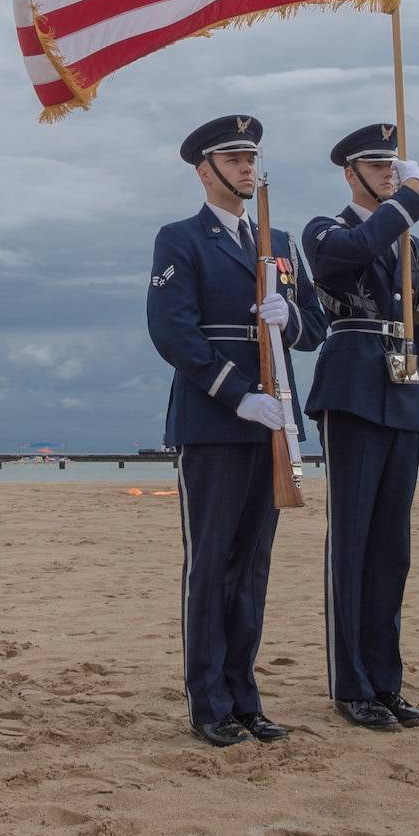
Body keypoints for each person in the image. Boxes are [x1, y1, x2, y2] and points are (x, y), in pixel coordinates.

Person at [147, 114, 327, 747]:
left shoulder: (277, 240)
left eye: (252, 157)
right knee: (212, 563)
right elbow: (173, 331)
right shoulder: (182, 239)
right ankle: (209, 702)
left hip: (274, 421)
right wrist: (237, 394)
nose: (247, 166)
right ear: (206, 170)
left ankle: (245, 696)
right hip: (217, 421)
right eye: (234, 157)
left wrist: (292, 317)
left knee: (253, 565)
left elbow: (315, 328)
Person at [300, 124, 419, 732]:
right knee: (352, 541)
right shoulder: (326, 228)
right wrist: (406, 202)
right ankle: (351, 684)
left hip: (403, 393)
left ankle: (386, 682)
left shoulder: (415, 246)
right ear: (350, 173)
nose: (389, 173)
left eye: (394, 165)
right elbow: (346, 259)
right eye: (377, 166)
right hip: (353, 385)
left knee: (392, 550)